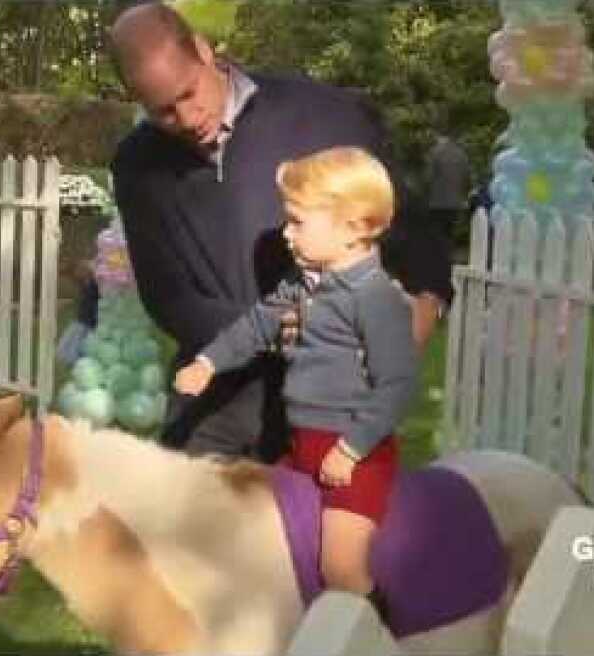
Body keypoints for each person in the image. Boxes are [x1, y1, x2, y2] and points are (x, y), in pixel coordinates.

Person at [109, 2, 451, 460]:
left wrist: (426, 302)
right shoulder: (138, 164)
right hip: (216, 408)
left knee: (323, 528)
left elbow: (410, 228)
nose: (188, 119)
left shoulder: (326, 115)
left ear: (205, 51)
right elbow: (168, 298)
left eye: (190, 93)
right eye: (164, 112)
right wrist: (274, 331)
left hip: (328, 407)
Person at [174, 147, 418, 595]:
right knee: (269, 551)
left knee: (341, 570)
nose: (286, 234)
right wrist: (208, 361)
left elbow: (397, 385)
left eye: (298, 222)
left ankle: (379, 633)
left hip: (355, 456)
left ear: (355, 228)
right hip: (300, 445)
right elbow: (254, 325)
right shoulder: (301, 282)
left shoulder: (376, 298)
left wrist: (351, 449)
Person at [424, 127, 472, 243]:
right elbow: (467, 177)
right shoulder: (461, 154)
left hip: (437, 201)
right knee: (449, 232)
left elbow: (428, 177)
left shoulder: (435, 152)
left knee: (436, 233)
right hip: (455, 201)